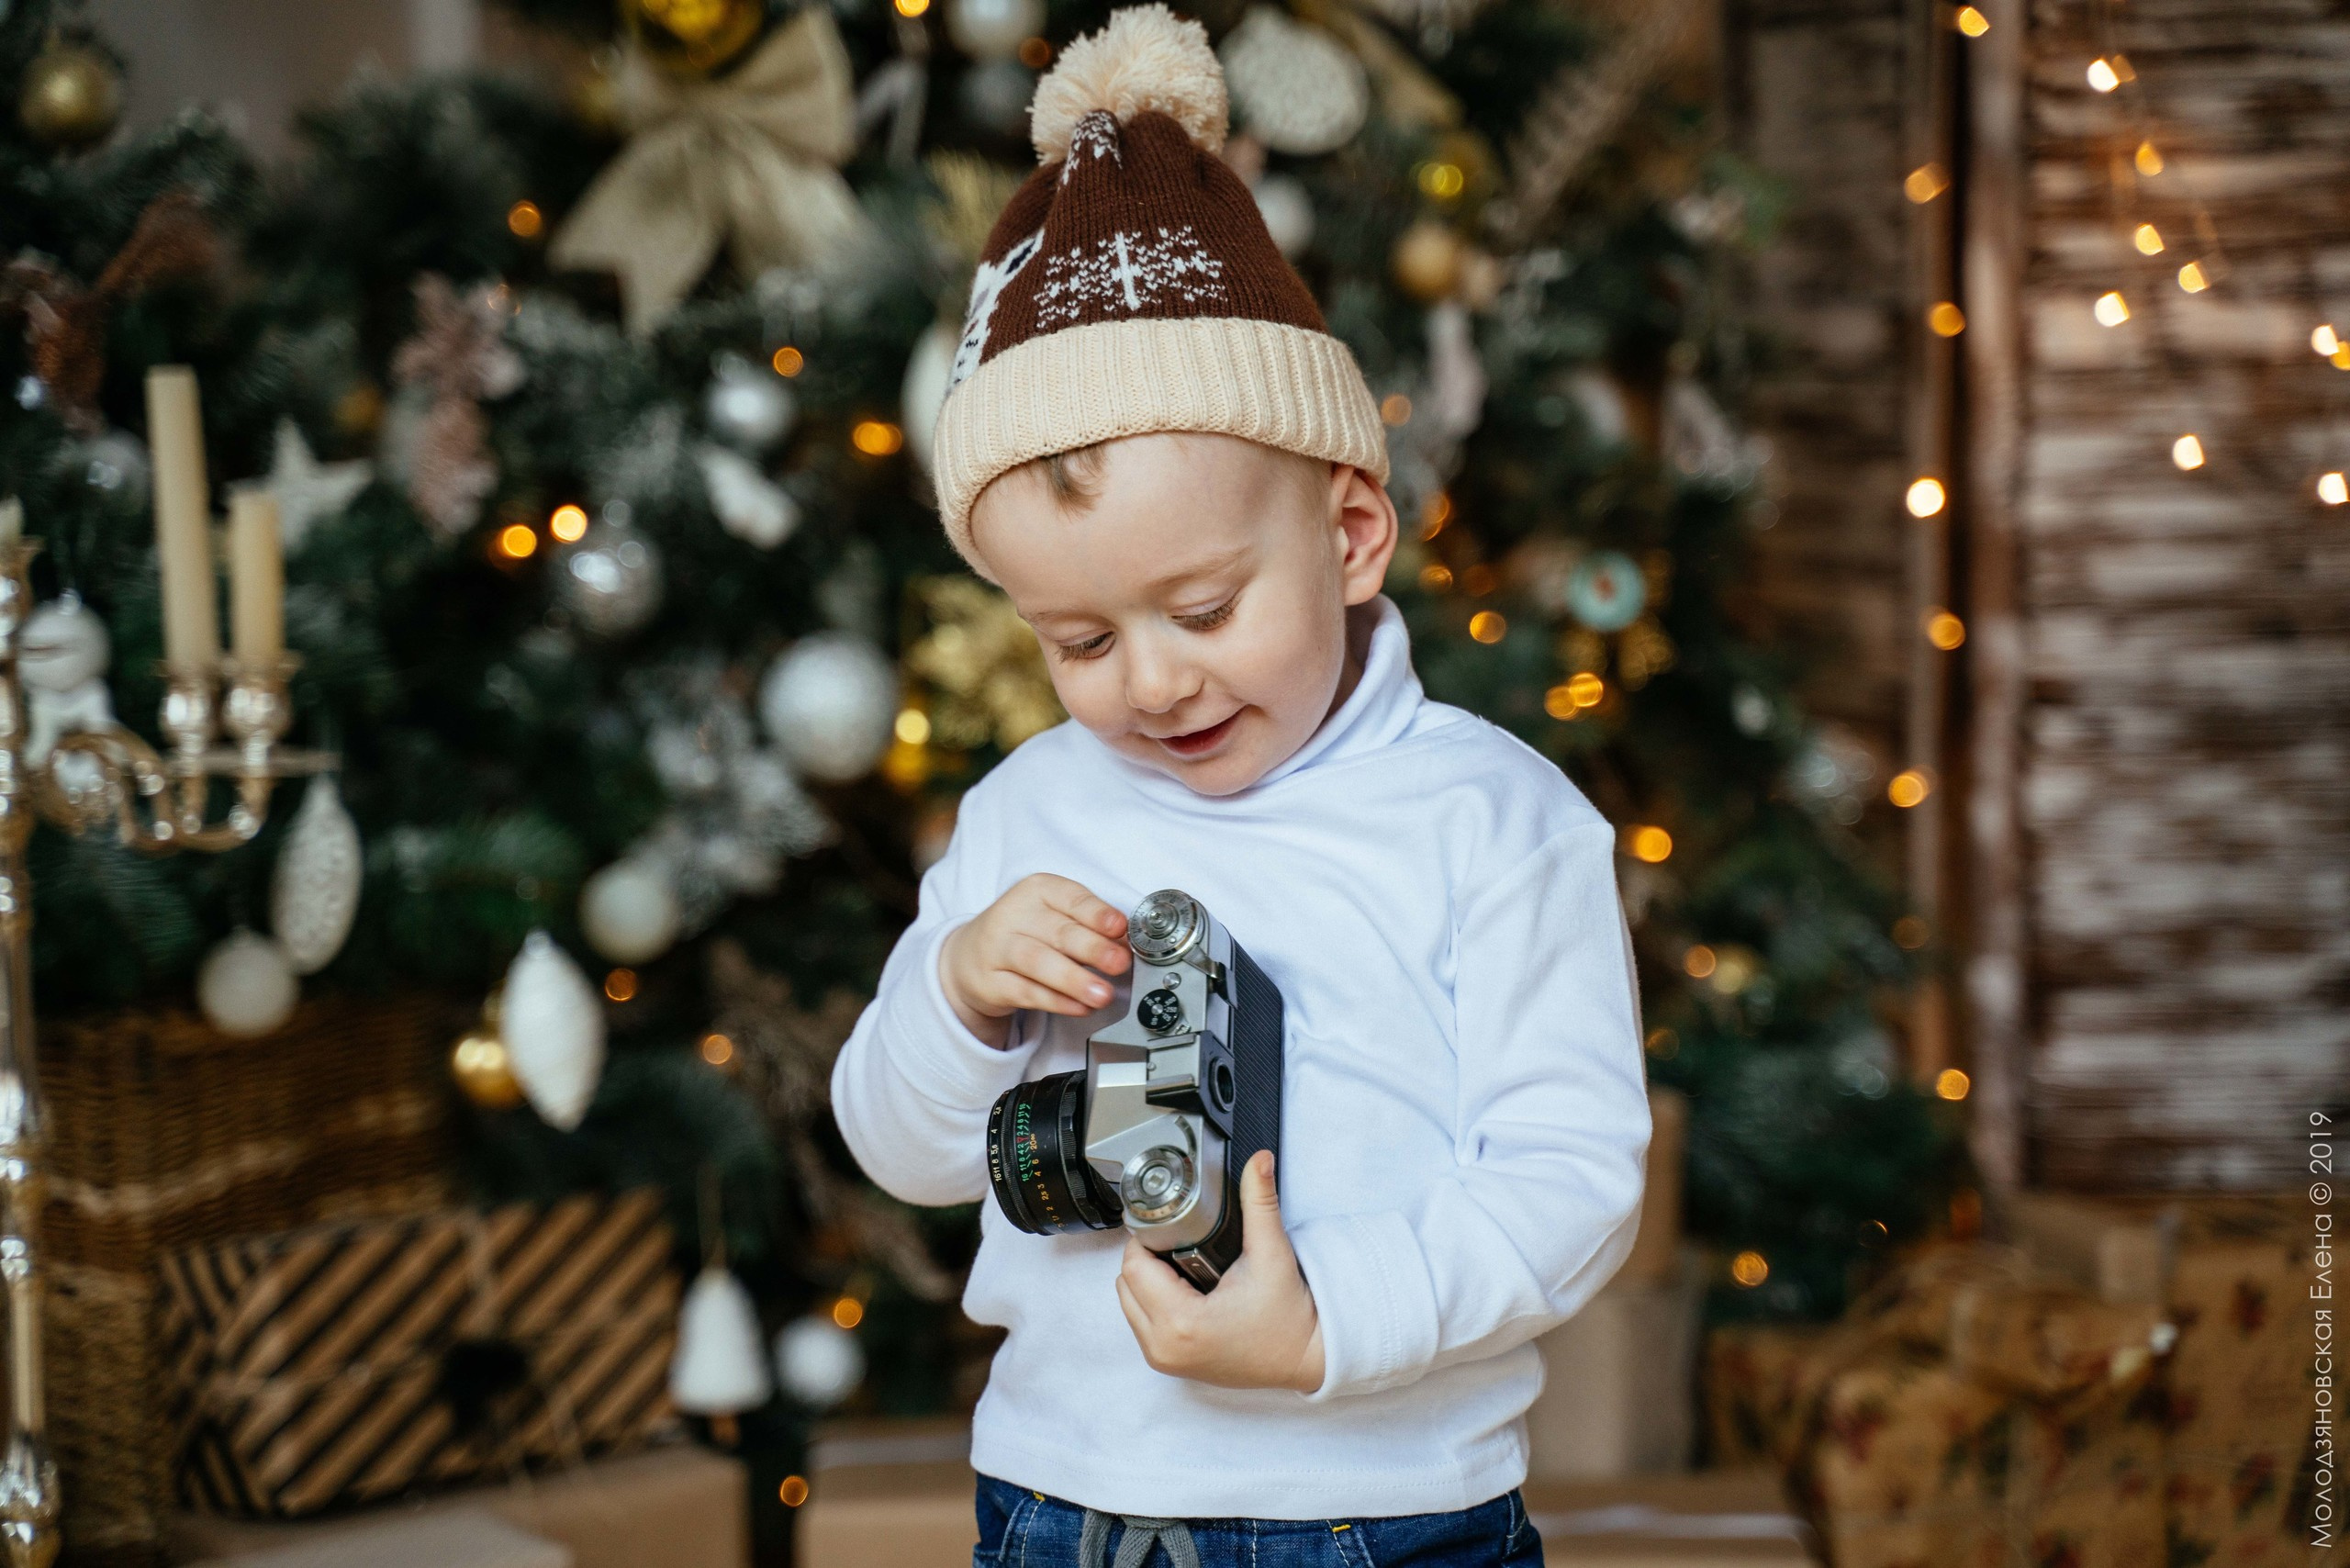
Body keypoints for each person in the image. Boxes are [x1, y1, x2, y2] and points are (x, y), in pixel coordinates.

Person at [830, 8, 1651, 1563]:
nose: (1150, 681)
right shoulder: (1026, 811)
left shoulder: (1493, 819)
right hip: (1066, 1495)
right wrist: (953, 994)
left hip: (1383, 1503)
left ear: (1350, 537)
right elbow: (904, 1150)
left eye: (1203, 610)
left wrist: (1331, 1324)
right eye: (1078, 636)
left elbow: (1568, 1179)